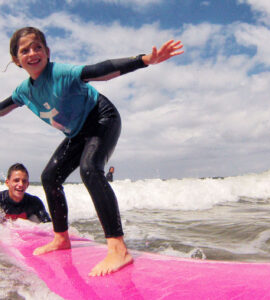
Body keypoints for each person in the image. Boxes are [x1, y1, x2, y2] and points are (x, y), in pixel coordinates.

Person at [0, 26, 183, 276]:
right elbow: (4, 107)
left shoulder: (60, 73)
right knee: (50, 177)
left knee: (90, 169)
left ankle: (118, 248)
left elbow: (101, 71)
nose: (32, 53)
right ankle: (61, 238)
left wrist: (144, 60)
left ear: (47, 51)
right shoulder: (25, 91)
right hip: (77, 132)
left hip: (101, 118)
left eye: (37, 47)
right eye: (25, 50)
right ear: (16, 59)